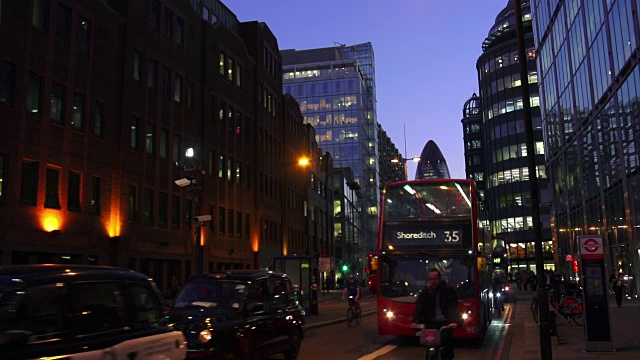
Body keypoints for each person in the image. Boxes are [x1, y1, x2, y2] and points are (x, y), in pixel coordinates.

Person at [412, 268, 463, 360]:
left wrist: (456, 322)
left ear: (439, 279)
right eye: (430, 279)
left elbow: (452, 307)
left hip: (445, 323)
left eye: (435, 279)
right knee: (428, 346)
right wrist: (416, 321)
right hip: (430, 323)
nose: (433, 281)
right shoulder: (425, 293)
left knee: (447, 347)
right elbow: (419, 308)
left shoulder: (448, 291)